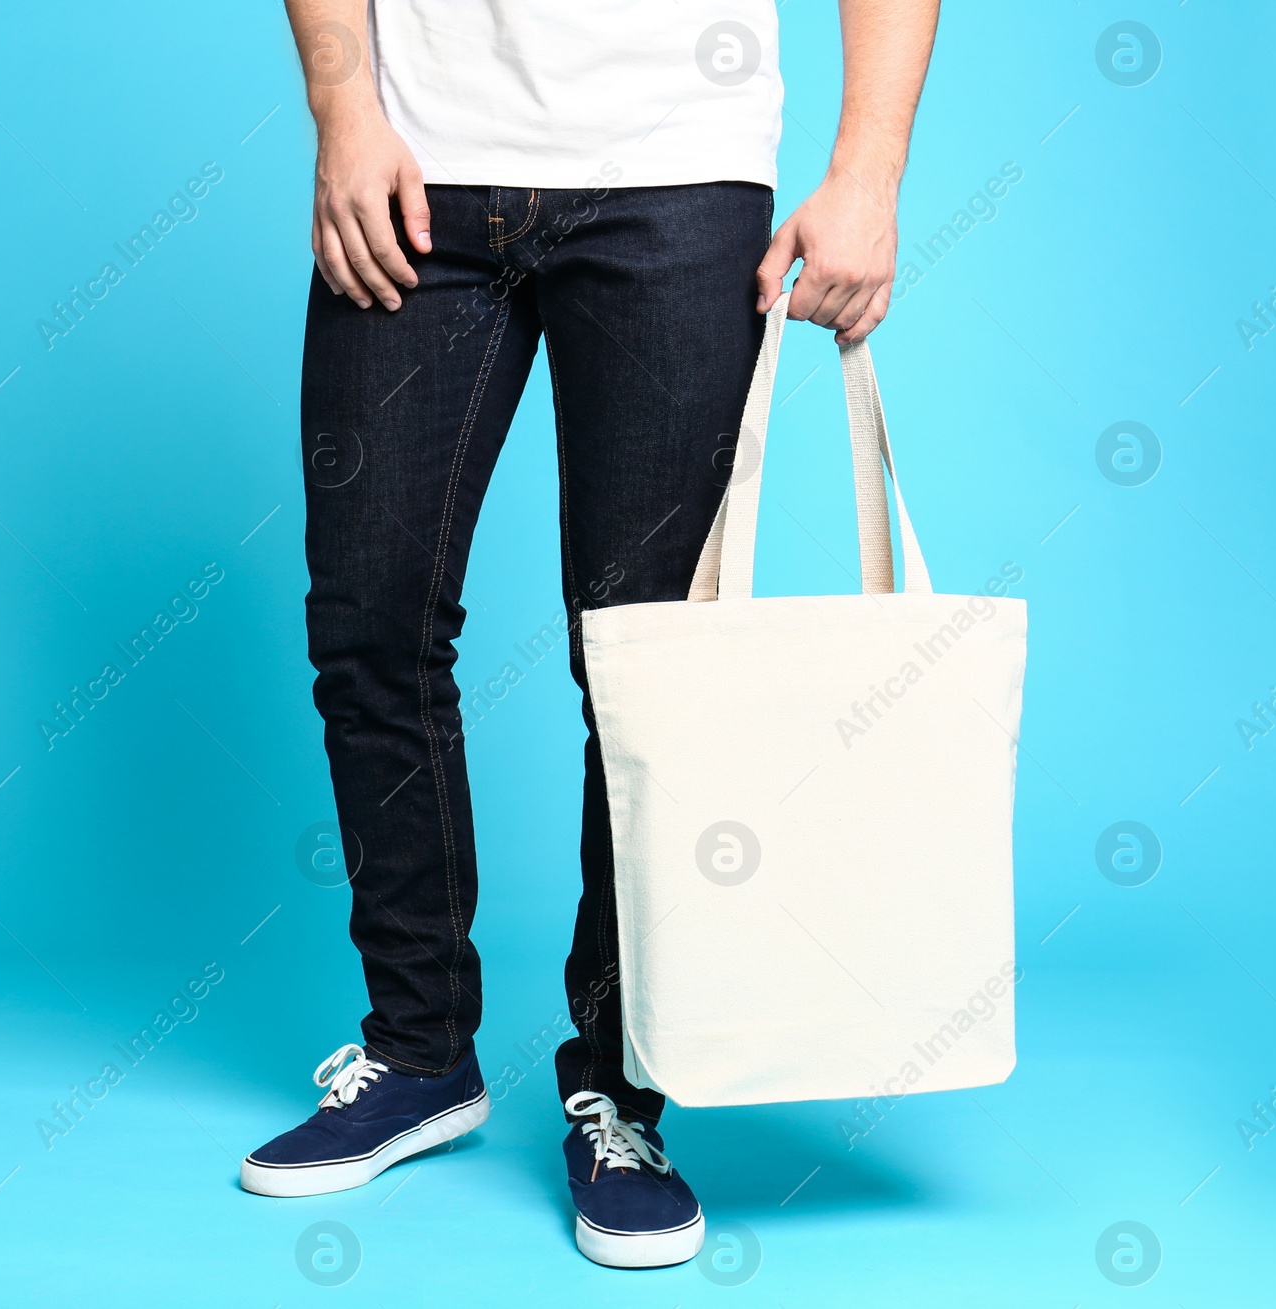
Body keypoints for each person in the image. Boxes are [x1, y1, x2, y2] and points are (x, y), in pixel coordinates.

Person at [242, 0, 940, 1269]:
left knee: (645, 668)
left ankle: (620, 1089)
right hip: (416, 162)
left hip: (675, 171)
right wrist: (344, 113)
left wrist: (867, 169)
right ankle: (417, 1048)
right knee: (368, 621)